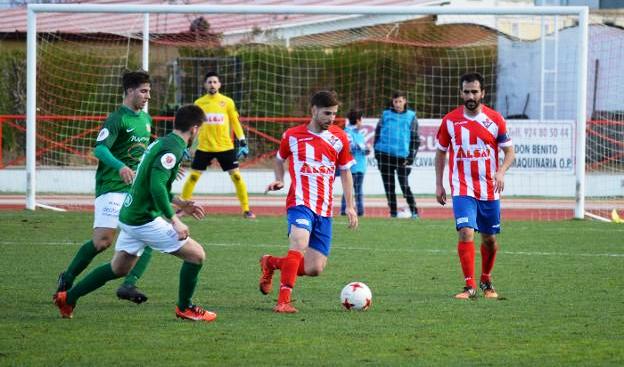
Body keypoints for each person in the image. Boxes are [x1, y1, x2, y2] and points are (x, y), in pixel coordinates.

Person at [54, 104, 217, 322]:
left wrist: (180, 202)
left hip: (130, 215)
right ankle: (185, 307)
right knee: (196, 255)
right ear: (195, 129)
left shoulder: (164, 141)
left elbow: (149, 181)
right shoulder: (173, 149)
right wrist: (175, 220)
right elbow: (156, 187)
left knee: (118, 268)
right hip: (143, 219)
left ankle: (68, 298)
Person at [55, 70, 154, 304]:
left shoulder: (146, 120)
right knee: (102, 242)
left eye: (149, 91)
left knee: (151, 234)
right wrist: (120, 166)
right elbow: (99, 149)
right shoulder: (116, 118)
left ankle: (129, 284)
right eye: (143, 91)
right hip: (111, 186)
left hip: (134, 191)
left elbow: (143, 153)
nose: (148, 96)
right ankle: (68, 277)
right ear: (129, 91)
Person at [260, 90, 358, 313]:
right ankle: (283, 301)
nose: (331, 118)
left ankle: (271, 263)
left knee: (315, 268)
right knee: (299, 244)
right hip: (300, 203)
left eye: (334, 114)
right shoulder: (292, 136)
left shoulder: (340, 138)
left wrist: (350, 205)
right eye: (327, 113)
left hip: (324, 209)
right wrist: (279, 179)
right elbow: (279, 160)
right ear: (313, 111)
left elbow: (345, 172)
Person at [434, 72, 515, 300]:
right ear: (461, 93)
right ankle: (469, 286)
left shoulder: (495, 119)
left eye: (475, 91)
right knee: (466, 232)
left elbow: (510, 152)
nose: (470, 95)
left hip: (489, 189)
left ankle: (486, 279)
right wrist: (439, 184)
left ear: (483, 93)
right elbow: (440, 153)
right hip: (462, 187)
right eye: (466, 91)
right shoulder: (450, 120)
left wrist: (500, 171)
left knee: (489, 239)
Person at [181, 71, 255, 219]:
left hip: (225, 147)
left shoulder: (227, 102)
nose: (212, 84)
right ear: (205, 85)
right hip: (204, 147)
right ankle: (182, 208)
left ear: (219, 84)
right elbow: (193, 126)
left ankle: (246, 209)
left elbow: (235, 122)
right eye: (209, 82)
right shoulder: (199, 103)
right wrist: (186, 144)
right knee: (193, 177)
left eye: (215, 82)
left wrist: (242, 141)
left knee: (237, 178)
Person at [373, 91, 420, 219]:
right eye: (395, 101)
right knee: (389, 187)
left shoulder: (411, 116)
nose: (398, 104)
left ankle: (414, 211)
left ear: (405, 101)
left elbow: (416, 139)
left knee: (404, 186)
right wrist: (376, 152)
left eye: (400, 101)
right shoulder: (385, 115)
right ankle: (393, 213)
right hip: (384, 155)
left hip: (402, 158)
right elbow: (377, 133)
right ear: (392, 102)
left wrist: (411, 157)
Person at [340, 109, 370, 216]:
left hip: (360, 166)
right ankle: (352, 211)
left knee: (356, 190)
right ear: (358, 120)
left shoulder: (359, 134)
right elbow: (350, 147)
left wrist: (366, 149)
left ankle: (353, 211)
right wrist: (363, 148)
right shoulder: (347, 132)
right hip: (351, 167)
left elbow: (365, 150)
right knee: (351, 190)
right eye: (361, 120)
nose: (361, 122)